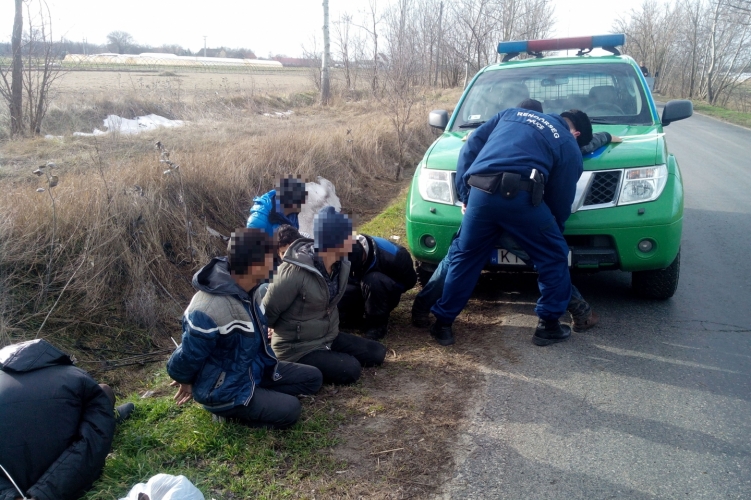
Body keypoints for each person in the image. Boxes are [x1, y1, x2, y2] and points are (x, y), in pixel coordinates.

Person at [412, 100, 619, 335]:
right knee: (553, 256)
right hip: (520, 197)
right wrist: (552, 229)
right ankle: (548, 326)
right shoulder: (566, 143)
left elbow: (470, 146)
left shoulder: (511, 114)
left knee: (464, 257)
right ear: (576, 135)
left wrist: (466, 195)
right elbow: (561, 197)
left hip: (480, 192)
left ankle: (443, 324)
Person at [167, 227, 322, 429]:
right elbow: (188, 354)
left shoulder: (251, 289)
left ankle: (260, 397)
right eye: (270, 257)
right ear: (254, 265)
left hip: (253, 369)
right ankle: (229, 413)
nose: (276, 261)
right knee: (291, 410)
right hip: (225, 388)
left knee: (313, 378)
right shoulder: (207, 308)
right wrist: (183, 378)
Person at [263, 207, 387, 385]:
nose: (352, 239)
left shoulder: (342, 264)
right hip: (298, 347)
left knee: (377, 353)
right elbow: (267, 313)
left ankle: (328, 353)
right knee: (351, 369)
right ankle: (295, 364)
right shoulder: (293, 270)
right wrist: (272, 331)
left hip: (328, 335)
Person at [0, 339, 134, 500]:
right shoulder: (76, 375)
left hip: (12, 481)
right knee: (103, 392)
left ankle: (110, 416)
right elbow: (92, 440)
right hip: (60, 478)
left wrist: (10, 495)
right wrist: (43, 494)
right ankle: (110, 416)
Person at [338, 233, 417, 340]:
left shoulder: (396, 255)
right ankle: (351, 318)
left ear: (363, 255)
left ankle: (377, 326)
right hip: (358, 286)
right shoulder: (340, 251)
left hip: (382, 291)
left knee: (374, 280)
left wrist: (387, 287)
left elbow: (410, 282)